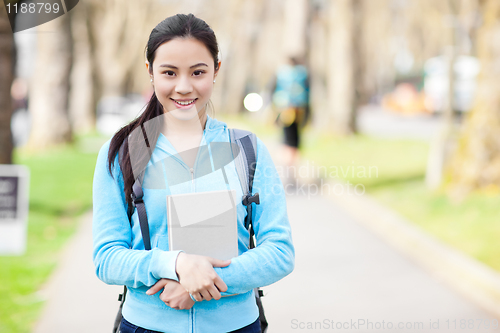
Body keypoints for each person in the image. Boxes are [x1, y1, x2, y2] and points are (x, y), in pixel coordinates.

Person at [92, 13, 294, 333]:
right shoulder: (121, 153)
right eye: (169, 72)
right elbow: (106, 258)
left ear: (216, 70)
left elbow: (279, 252)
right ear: (150, 73)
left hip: (236, 327)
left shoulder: (249, 150)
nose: (183, 87)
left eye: (198, 72)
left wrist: (200, 283)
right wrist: (175, 265)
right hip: (146, 326)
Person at [271, 57, 310, 182]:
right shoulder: (303, 75)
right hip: (299, 111)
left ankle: (286, 169)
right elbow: (308, 93)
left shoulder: (281, 74)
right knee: (295, 142)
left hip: (284, 111)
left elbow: (272, 91)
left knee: (285, 139)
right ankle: (292, 169)